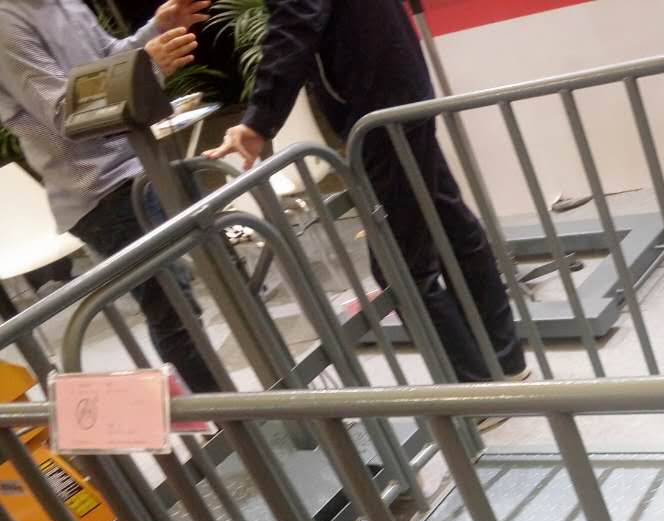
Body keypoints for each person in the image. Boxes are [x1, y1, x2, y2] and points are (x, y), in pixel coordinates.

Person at [205, 0, 526, 386]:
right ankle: (504, 364)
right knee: (448, 225)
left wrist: (259, 119)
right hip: (393, 87)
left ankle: (474, 388)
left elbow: (296, 18)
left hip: (376, 100)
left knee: (400, 263)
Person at [0, 0, 219, 392]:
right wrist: (147, 65)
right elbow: (66, 112)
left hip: (142, 166)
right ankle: (240, 422)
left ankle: (268, 406)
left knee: (220, 276)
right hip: (100, 191)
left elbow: (108, 60)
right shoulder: (5, 22)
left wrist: (154, 30)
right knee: (175, 312)